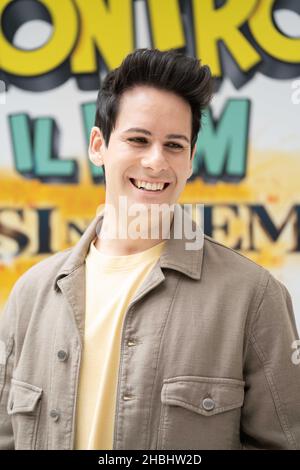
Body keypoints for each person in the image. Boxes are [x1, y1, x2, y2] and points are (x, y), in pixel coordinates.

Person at [0, 48, 300, 451]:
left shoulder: (254, 295)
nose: (156, 162)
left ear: (191, 158)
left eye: (174, 145)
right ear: (98, 145)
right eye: (138, 140)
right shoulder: (29, 295)